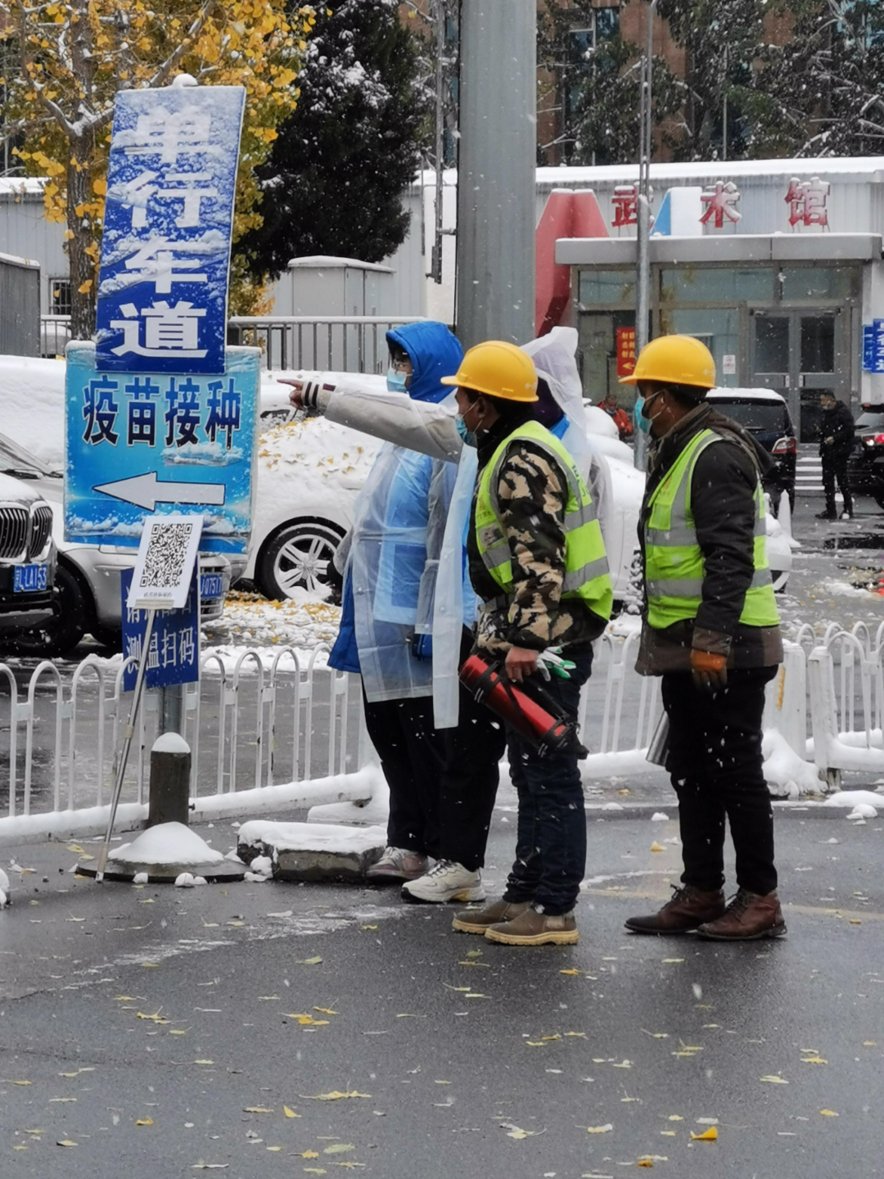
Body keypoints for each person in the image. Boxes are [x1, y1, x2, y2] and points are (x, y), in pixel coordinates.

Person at [282, 322, 503, 900]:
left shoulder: (446, 434)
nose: (398, 371)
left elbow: (447, 532)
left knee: (426, 734)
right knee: (390, 729)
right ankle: (406, 838)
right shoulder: (403, 431)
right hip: (376, 604)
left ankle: (429, 844)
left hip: (417, 610)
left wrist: (436, 615)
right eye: (395, 360)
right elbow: (377, 510)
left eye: (407, 361)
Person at [438, 340, 613, 947]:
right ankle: (524, 893)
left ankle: (556, 906)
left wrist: (526, 641)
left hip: (549, 640)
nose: (458, 407)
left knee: (550, 773)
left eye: (464, 396)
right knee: (531, 770)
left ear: (486, 405)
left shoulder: (522, 459)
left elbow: (542, 561)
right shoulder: (520, 446)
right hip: (541, 635)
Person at [619, 334, 786, 941]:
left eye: (644, 394)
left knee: (733, 770)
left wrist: (712, 638)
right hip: (687, 646)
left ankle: (761, 898)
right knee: (692, 768)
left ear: (664, 396)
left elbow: (729, 557)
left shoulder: (713, 454)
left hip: (727, 648)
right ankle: (702, 888)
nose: (640, 405)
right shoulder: (680, 446)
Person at [816, 391, 855, 520]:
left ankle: (848, 508)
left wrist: (835, 438)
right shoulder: (826, 414)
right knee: (827, 481)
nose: (822, 403)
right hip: (827, 452)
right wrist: (820, 433)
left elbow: (849, 430)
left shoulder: (842, 412)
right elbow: (824, 429)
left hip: (840, 453)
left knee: (842, 481)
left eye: (823, 400)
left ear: (831, 400)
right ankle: (830, 509)